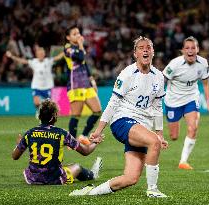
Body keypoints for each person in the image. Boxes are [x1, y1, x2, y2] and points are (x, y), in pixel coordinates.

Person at [69, 36, 168, 197]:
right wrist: (99, 130)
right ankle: (153, 189)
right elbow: (113, 103)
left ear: (153, 52)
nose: (145, 50)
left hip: (142, 127)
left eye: (148, 47)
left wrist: (160, 134)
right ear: (135, 53)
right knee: (153, 142)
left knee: (131, 178)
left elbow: (157, 107)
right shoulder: (127, 73)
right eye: (141, 48)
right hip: (123, 121)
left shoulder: (158, 76)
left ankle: (89, 192)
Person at [12, 99, 103, 185]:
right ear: (54, 116)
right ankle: (92, 175)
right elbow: (85, 151)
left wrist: (18, 145)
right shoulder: (61, 133)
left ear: (40, 116)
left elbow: (15, 156)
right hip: (54, 179)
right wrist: (95, 142)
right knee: (77, 167)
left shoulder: (30, 133)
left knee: (66, 166)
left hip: (32, 179)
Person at [162, 36, 209, 170]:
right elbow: (162, 80)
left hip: (191, 98)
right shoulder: (174, 64)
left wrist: (208, 103)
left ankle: (183, 161)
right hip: (173, 101)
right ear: (182, 51)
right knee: (174, 136)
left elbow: (206, 84)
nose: (190, 50)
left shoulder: (203, 63)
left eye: (193, 47)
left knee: (193, 128)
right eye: (187, 48)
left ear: (197, 49)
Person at [63, 25, 102, 145]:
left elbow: (84, 64)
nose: (78, 36)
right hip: (76, 85)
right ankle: (72, 142)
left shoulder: (79, 48)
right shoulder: (67, 48)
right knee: (76, 114)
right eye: (74, 34)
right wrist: (81, 45)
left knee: (97, 111)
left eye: (78, 33)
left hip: (86, 84)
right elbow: (80, 57)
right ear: (68, 37)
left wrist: (92, 80)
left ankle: (83, 135)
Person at [6, 46, 64, 118]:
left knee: (50, 104)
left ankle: (53, 112)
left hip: (47, 86)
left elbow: (58, 57)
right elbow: (23, 61)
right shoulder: (34, 62)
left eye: (42, 53)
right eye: (39, 54)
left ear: (44, 54)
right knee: (36, 103)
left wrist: (66, 51)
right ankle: (40, 111)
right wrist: (12, 56)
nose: (41, 55)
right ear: (37, 55)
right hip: (36, 86)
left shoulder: (48, 61)